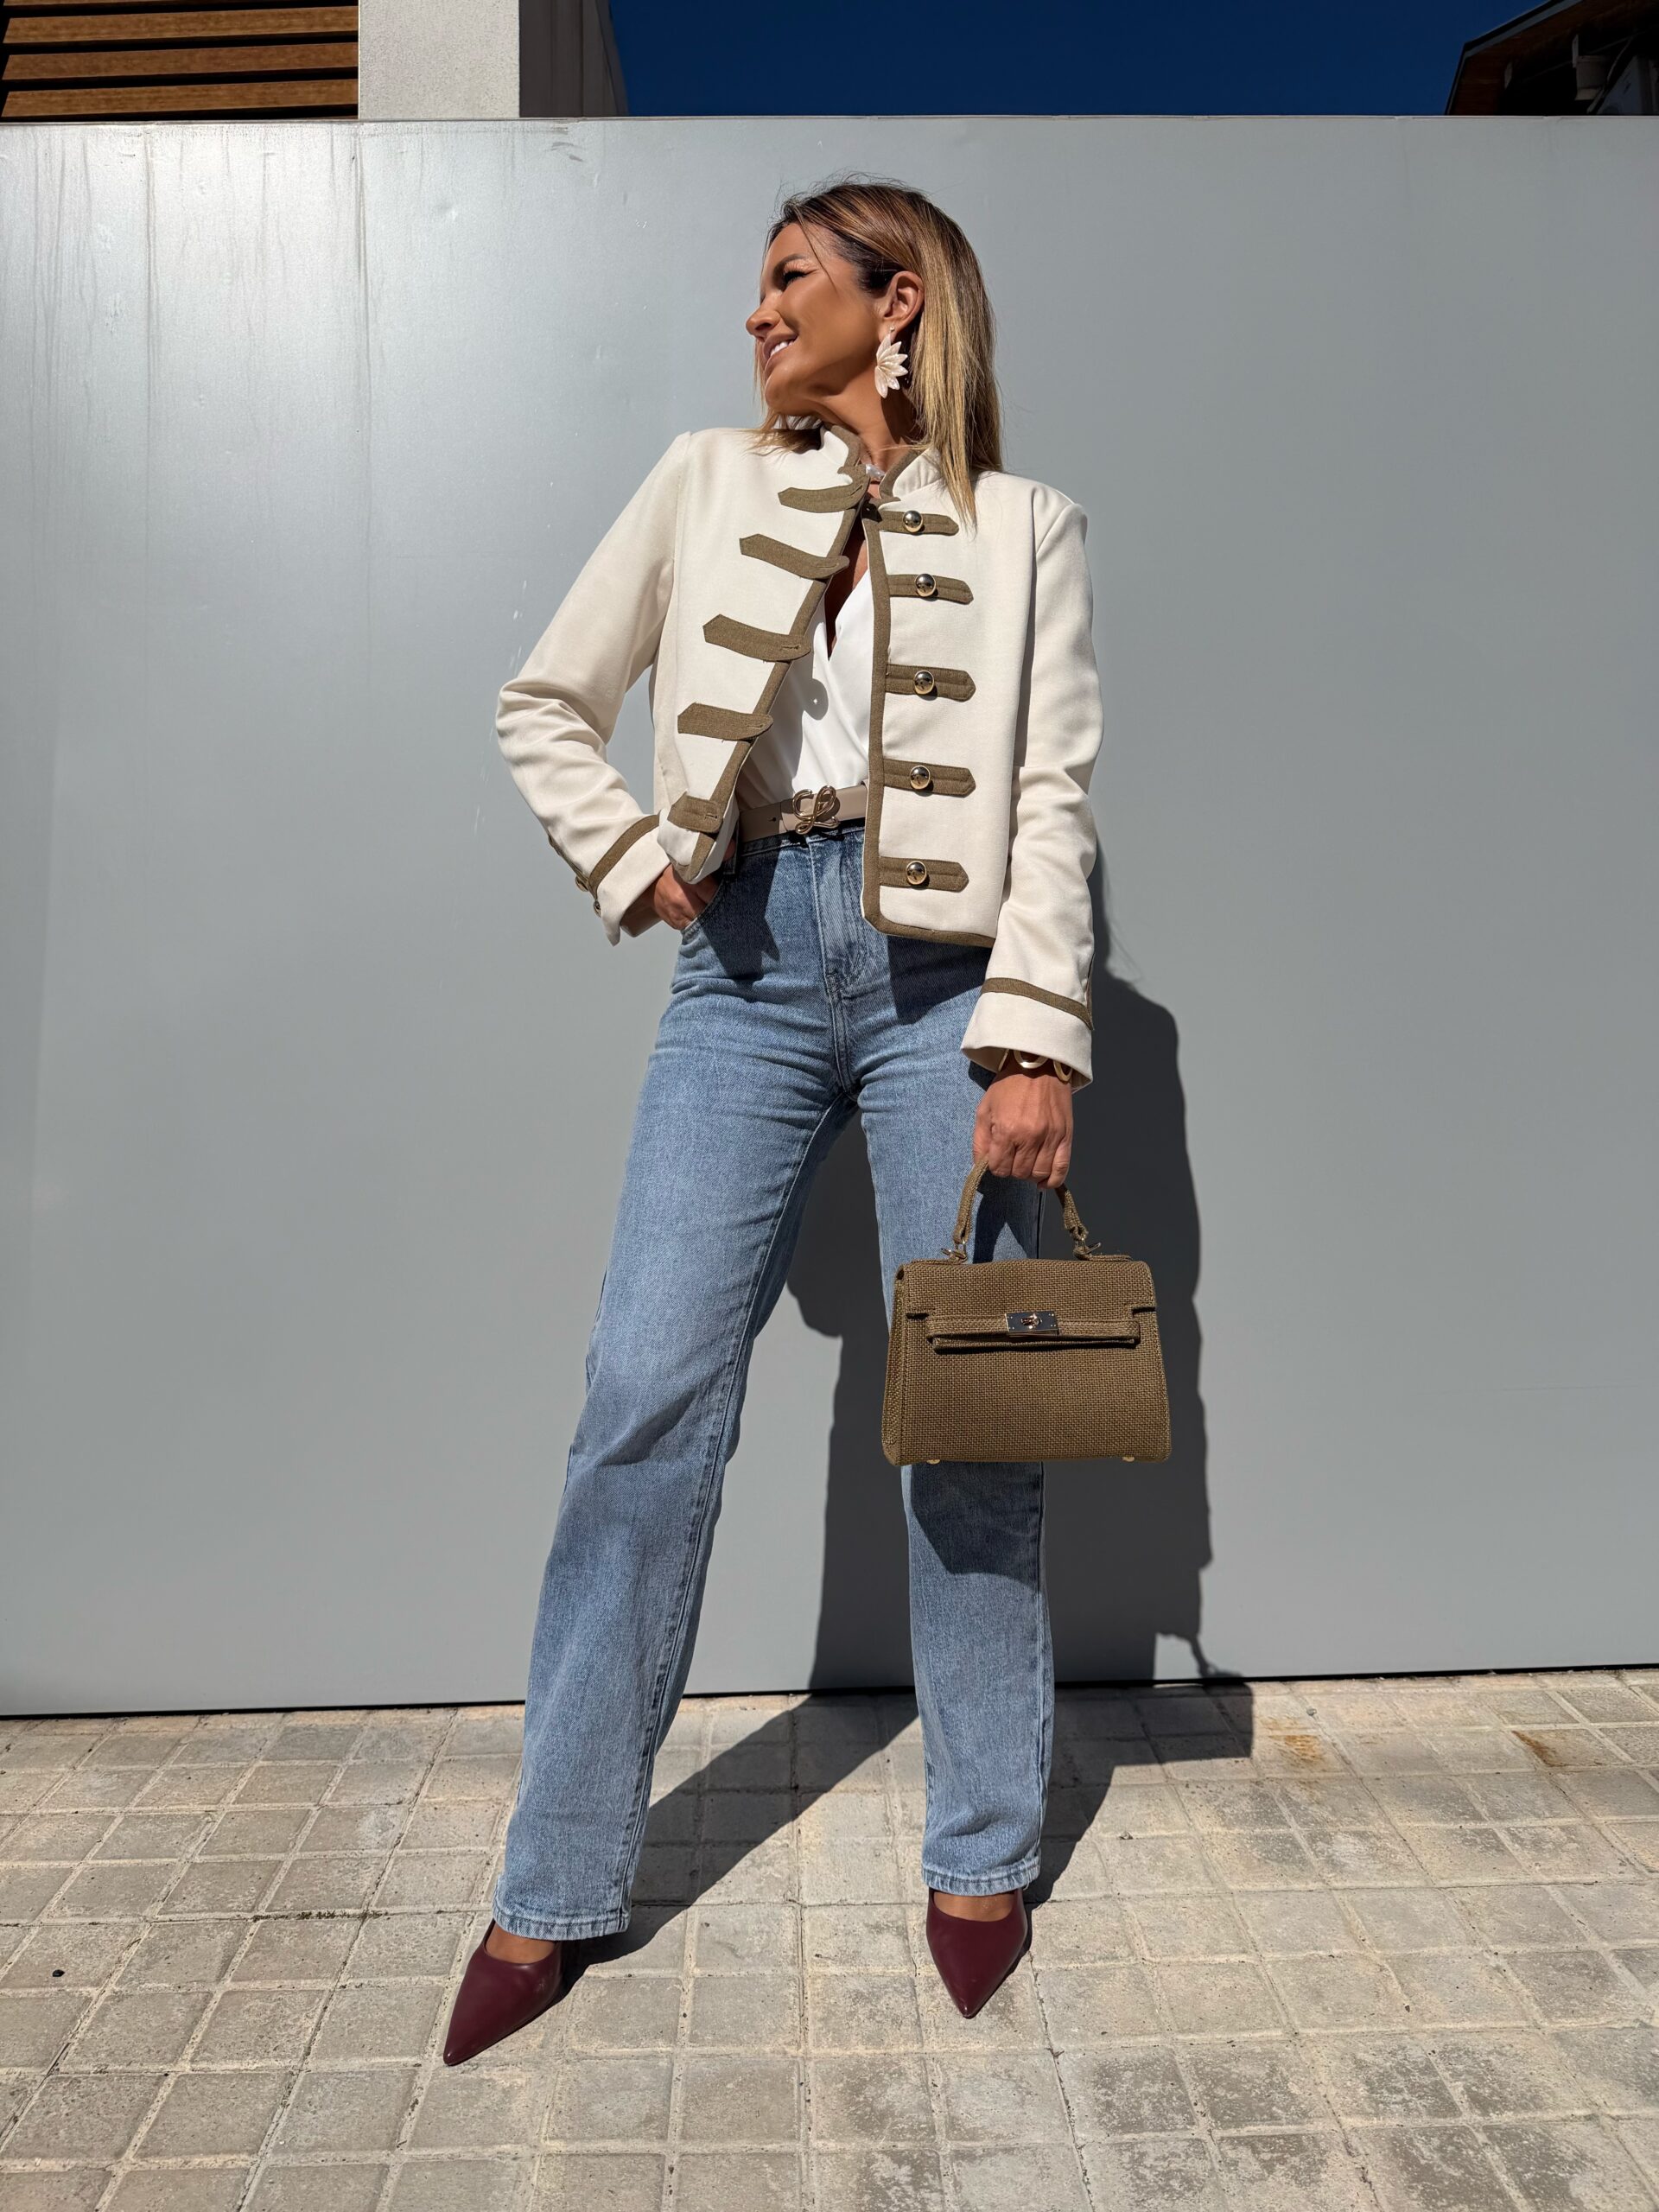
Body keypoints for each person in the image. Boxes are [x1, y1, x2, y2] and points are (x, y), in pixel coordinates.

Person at [443, 175, 1106, 2066]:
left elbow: (1050, 795)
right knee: (644, 1394)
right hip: (742, 967)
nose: (756, 314)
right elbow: (542, 701)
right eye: (757, 285)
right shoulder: (700, 481)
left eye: (791, 278)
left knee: (969, 1418)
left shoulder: (1028, 525)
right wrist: (633, 856)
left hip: (945, 990)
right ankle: (559, 1870)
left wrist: (1036, 1038)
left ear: (898, 304)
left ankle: (982, 1850)